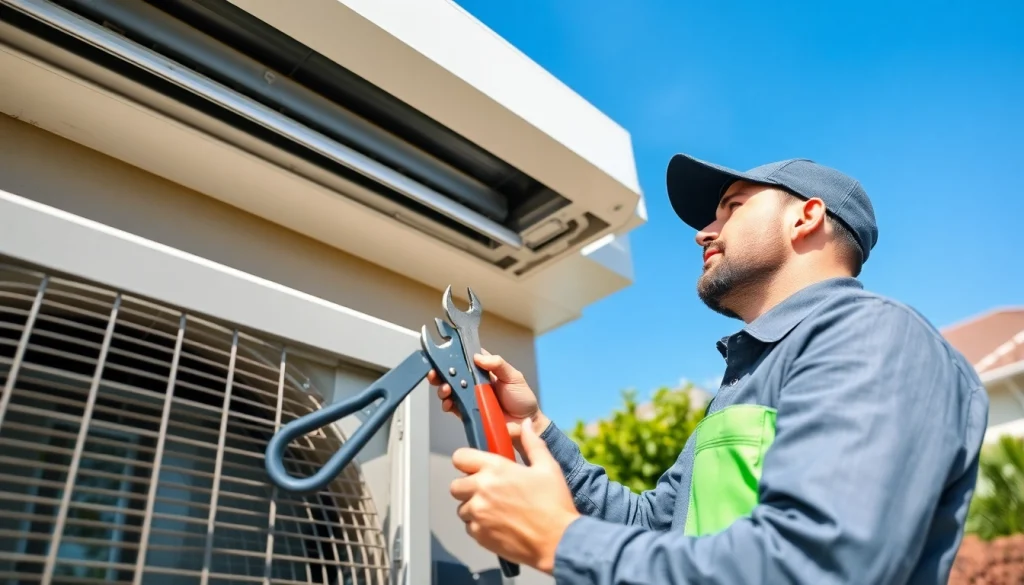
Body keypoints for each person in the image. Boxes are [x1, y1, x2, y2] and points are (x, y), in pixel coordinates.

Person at [428, 154, 989, 585]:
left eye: (734, 207)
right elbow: (653, 528)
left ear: (807, 216)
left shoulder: (872, 338)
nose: (704, 231)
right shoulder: (748, 378)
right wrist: (534, 428)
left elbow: (816, 567)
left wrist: (558, 538)